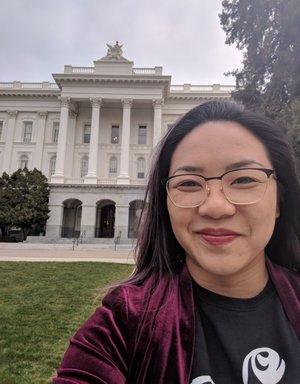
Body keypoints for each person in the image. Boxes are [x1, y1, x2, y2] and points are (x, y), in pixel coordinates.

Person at [53, 100, 300, 384]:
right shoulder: (125, 324)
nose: (215, 207)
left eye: (243, 179)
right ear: (166, 203)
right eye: (189, 183)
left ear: (280, 200)